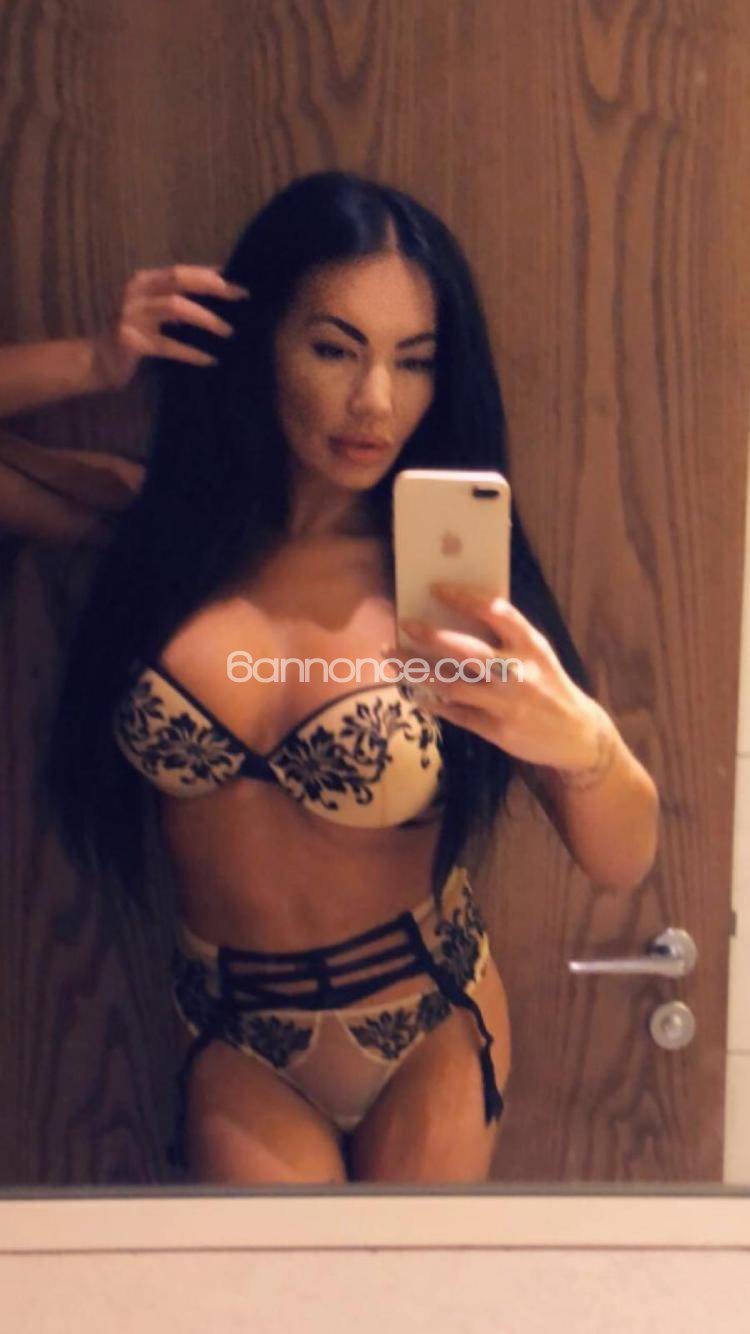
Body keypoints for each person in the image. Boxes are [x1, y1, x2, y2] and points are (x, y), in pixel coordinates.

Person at [1, 170, 659, 1185]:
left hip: (426, 1017)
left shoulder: (453, 590)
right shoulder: (156, 536)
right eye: (335, 348)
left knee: (397, 1277)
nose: (375, 402)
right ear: (261, 342)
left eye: (415, 361)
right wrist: (93, 359)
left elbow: (623, 858)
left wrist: (585, 744)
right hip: (234, 1028)